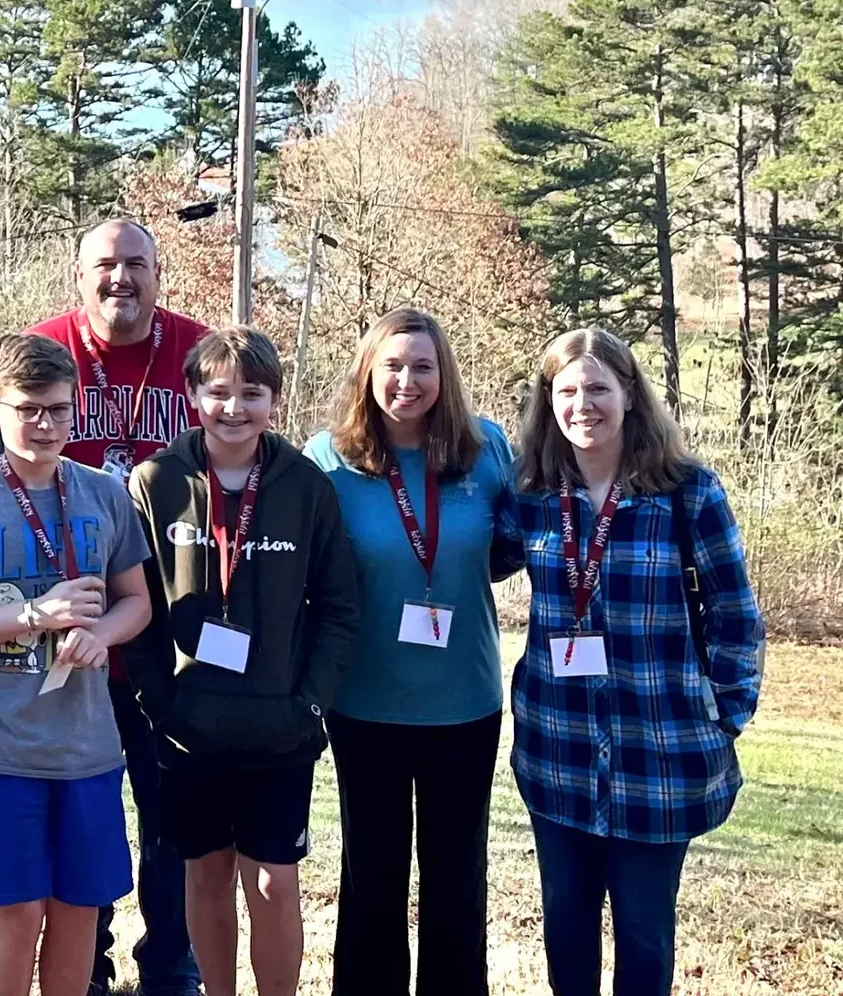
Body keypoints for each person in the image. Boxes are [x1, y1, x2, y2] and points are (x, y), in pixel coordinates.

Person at [497, 328, 764, 996]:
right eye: (567, 391)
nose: (583, 404)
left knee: (645, 937)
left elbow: (735, 615)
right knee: (565, 926)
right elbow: (470, 559)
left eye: (597, 388)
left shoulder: (686, 492)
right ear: (548, 402)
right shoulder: (530, 494)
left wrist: (723, 717)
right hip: (556, 750)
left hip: (659, 757)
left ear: (629, 395)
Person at [0, 333, 153, 996]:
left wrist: (104, 633)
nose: (45, 425)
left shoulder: (105, 495)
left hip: (88, 748)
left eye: (58, 410)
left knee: (79, 912)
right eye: (28, 409)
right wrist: (32, 616)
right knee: (16, 911)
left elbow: (138, 604)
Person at [126, 326, 358, 996]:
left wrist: (308, 703)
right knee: (205, 874)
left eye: (251, 393)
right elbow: (133, 602)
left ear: (274, 401)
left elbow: (339, 607)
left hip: (279, 728)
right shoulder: (155, 482)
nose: (234, 407)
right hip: (185, 728)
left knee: (273, 881)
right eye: (218, 391)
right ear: (192, 394)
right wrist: (156, 700)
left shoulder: (304, 485)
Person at [303, 309, 516, 996]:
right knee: (373, 875)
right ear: (368, 372)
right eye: (392, 365)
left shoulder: (489, 450)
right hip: (365, 701)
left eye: (422, 366)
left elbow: (512, 547)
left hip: (465, 700)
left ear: (443, 374)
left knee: (457, 878)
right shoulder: (328, 460)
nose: (407, 380)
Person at [29, 219, 207, 996]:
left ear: (159, 273)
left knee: (171, 814)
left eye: (136, 264)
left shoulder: (200, 353)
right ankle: (85, 966)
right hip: (68, 623)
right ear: (79, 275)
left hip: (176, 626)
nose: (120, 279)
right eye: (105, 265)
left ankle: (171, 966)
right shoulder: (42, 350)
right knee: (84, 810)